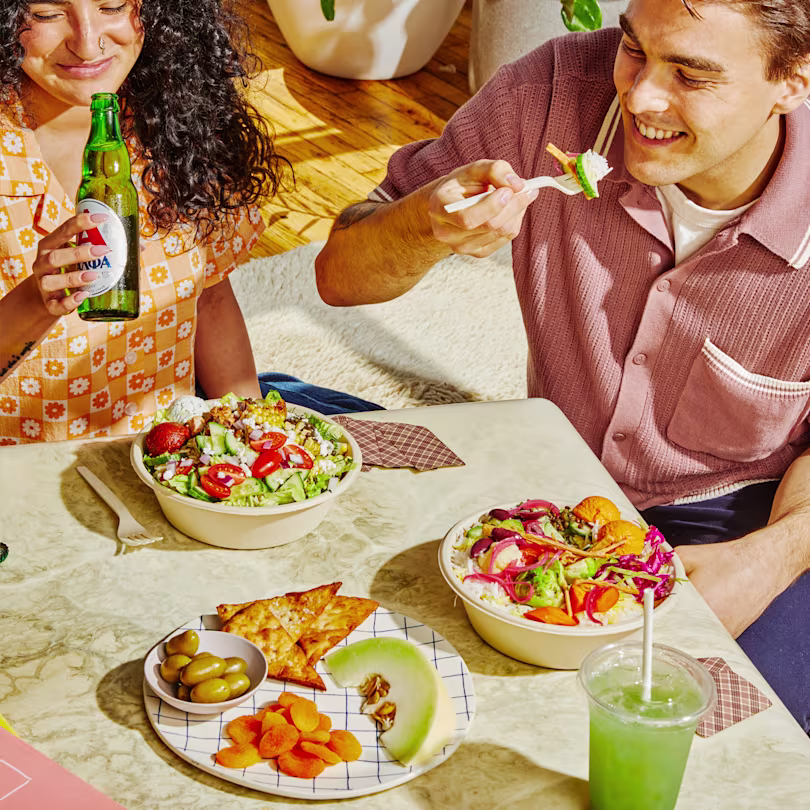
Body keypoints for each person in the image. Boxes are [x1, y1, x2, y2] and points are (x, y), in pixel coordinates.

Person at [315, 0, 810, 729]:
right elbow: (339, 275)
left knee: (737, 737)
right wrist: (425, 225)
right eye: (635, 47)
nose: (639, 96)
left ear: (793, 81)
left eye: (692, 74)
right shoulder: (547, 94)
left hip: (744, 513)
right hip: (546, 473)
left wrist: (771, 557)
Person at [0, 0, 380, 445]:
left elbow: (211, 298)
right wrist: (34, 301)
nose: (87, 44)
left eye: (113, 5)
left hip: (167, 446)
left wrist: (247, 435)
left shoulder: (180, 113)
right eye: (47, 14)